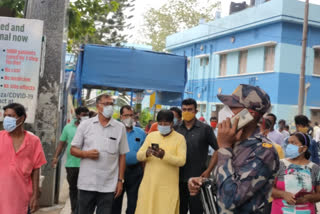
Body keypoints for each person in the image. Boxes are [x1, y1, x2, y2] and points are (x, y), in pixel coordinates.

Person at [188, 84, 279, 213]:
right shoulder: (234, 142)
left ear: (249, 114)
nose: (224, 111)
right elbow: (227, 182)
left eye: (231, 107)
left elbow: (230, 199)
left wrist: (224, 148)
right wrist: (203, 183)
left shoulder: (263, 150)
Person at [70, 94, 129, 214]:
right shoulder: (85, 125)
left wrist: (120, 181)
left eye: (111, 104)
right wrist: (86, 154)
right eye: (106, 104)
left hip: (108, 185)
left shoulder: (119, 127)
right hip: (87, 183)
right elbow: (73, 149)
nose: (110, 107)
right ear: (98, 106)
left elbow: (122, 155)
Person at [135, 110, 186, 214]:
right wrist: (147, 153)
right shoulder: (151, 136)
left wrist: (164, 156)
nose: (163, 126)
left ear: (172, 123)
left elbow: (181, 161)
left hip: (168, 187)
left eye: (166, 124)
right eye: (160, 124)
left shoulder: (180, 138)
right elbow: (139, 156)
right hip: (149, 184)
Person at [0, 103, 47, 214]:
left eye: (11, 116)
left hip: (21, 197)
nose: (7, 119)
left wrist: (35, 195)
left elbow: (36, 169)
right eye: (5, 116)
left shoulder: (33, 141)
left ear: (22, 118)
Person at [174, 98, 218, 214]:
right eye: (184, 109)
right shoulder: (175, 129)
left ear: (196, 111)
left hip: (197, 179)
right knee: (179, 210)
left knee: (196, 210)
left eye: (190, 109)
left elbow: (218, 150)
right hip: (177, 178)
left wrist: (209, 170)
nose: (187, 112)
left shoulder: (205, 129)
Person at [51, 106, 89, 213]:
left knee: (84, 190)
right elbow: (61, 143)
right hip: (72, 164)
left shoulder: (91, 127)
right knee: (73, 189)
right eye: (83, 115)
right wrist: (55, 157)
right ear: (77, 116)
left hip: (86, 164)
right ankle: (74, 210)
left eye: (87, 115)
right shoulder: (68, 128)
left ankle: (82, 210)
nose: (85, 117)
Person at [271, 132, 320, 214]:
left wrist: (308, 198)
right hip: (280, 210)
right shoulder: (279, 165)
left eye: (293, 143)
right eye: (289, 143)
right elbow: (268, 189)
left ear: (304, 148)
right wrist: (283, 194)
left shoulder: (314, 168)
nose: (289, 146)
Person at [112, 105, 146, 214]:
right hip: (117, 171)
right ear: (121, 116)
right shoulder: (115, 131)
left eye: (131, 115)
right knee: (115, 201)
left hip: (135, 172)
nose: (129, 118)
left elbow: (144, 156)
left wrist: (144, 173)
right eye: (126, 115)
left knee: (134, 203)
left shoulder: (141, 133)